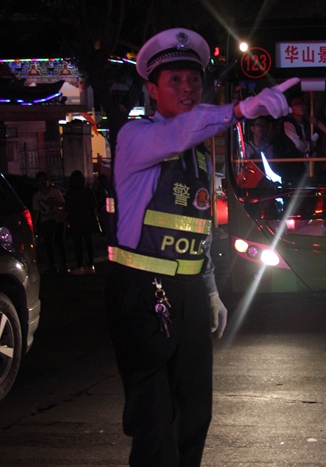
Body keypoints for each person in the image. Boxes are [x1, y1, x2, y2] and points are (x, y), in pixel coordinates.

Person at [105, 28, 296, 467]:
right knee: (154, 421)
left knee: (195, 415)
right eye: (174, 80)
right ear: (152, 90)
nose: (187, 87)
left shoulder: (201, 156)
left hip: (189, 292)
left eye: (194, 79)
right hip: (142, 293)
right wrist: (240, 109)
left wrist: (210, 291)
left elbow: (199, 228)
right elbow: (180, 131)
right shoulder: (136, 137)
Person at [32, 171, 68, 274]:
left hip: (57, 220)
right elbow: (36, 211)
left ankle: (64, 264)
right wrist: (33, 225)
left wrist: (54, 203)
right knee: (48, 244)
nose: (43, 182)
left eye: (44, 180)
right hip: (46, 221)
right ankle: (53, 265)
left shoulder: (55, 192)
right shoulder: (37, 196)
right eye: (40, 180)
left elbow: (63, 204)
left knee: (60, 242)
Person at [65, 170, 98, 275]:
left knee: (77, 244)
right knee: (89, 243)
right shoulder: (88, 192)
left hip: (75, 221)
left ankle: (80, 266)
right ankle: (90, 265)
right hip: (87, 220)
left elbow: (67, 208)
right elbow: (94, 205)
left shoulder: (70, 193)